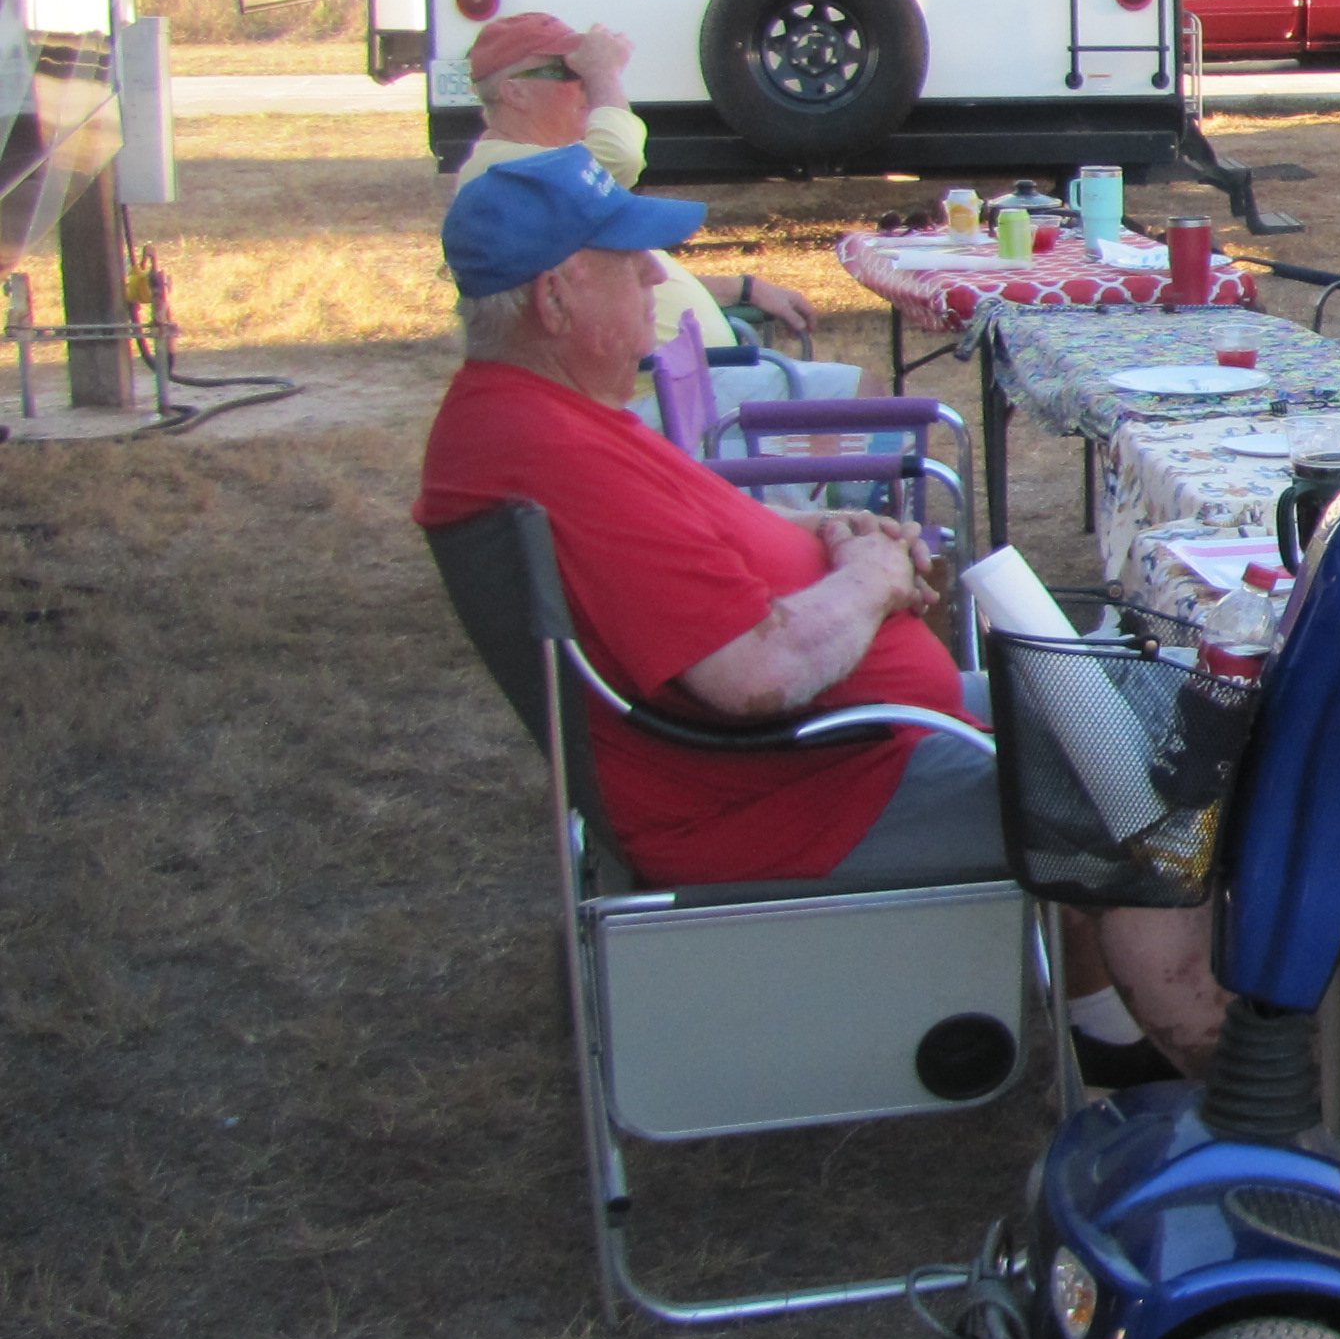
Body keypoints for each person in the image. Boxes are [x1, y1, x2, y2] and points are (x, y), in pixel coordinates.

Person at [412, 146, 1223, 1068]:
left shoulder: (542, 415)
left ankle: (1110, 1041)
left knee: (1119, 709)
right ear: (556, 298)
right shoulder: (553, 455)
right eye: (625, 259)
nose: (654, 276)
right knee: (1156, 789)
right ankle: (1229, 1078)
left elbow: (704, 540)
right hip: (803, 791)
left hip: (846, 749)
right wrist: (871, 584)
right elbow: (757, 677)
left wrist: (830, 532)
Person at [454, 12, 855, 412]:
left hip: (687, 380)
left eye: (583, 70)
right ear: (514, 93)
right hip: (658, 390)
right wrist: (603, 73)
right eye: (566, 71)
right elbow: (623, 155)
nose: (584, 86)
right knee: (859, 393)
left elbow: (614, 274)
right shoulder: (509, 175)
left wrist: (743, 288)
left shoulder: (537, 165)